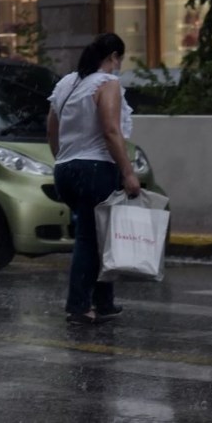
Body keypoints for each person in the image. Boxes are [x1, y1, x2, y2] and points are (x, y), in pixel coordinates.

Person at [47, 33, 140, 326]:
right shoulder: (106, 84)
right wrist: (127, 172)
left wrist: (62, 158)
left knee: (99, 236)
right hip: (96, 168)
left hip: (66, 168)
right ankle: (78, 305)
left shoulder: (66, 83)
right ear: (112, 56)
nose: (118, 67)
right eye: (119, 61)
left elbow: (51, 128)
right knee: (91, 238)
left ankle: (104, 302)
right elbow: (111, 131)